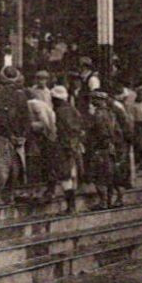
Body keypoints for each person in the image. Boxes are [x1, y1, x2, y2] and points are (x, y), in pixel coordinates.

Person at [0, 66, 33, 195]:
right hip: (11, 137)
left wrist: (19, 136)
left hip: (8, 136)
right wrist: (21, 135)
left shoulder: (0, 95)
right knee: (11, 166)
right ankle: (5, 194)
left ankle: (5, 194)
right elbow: (26, 118)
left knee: (7, 167)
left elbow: (0, 118)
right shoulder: (20, 95)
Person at [50, 84, 83, 212]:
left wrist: (65, 145)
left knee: (65, 175)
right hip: (74, 144)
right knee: (71, 174)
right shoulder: (72, 109)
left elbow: (65, 130)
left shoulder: (61, 111)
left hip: (65, 146)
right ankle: (71, 204)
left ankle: (71, 205)